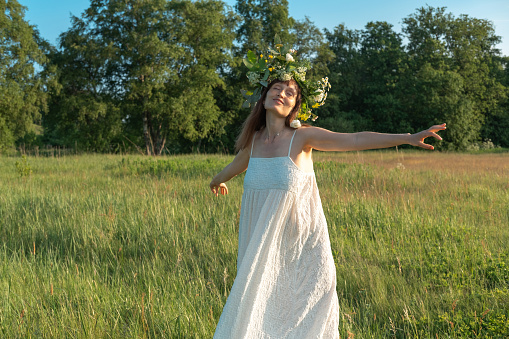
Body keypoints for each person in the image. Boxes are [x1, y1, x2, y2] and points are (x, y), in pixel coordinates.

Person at [209, 40, 446, 338]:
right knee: (257, 310)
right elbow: (233, 168)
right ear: (265, 94)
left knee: (298, 318)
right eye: (277, 88)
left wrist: (408, 137)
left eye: (290, 92)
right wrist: (216, 180)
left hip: (299, 250)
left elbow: (356, 139)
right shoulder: (253, 142)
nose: (282, 93)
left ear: (296, 106)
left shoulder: (303, 138)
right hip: (259, 246)